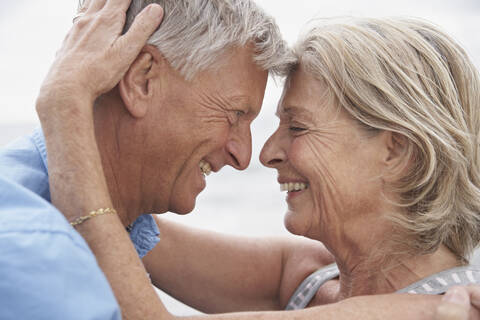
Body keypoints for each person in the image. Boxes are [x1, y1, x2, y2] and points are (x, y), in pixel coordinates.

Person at [2, 0, 478, 319]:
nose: (265, 153)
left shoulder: (448, 309)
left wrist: (68, 106)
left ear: (396, 151)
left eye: (299, 127)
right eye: (239, 115)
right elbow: (120, 217)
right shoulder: (314, 278)